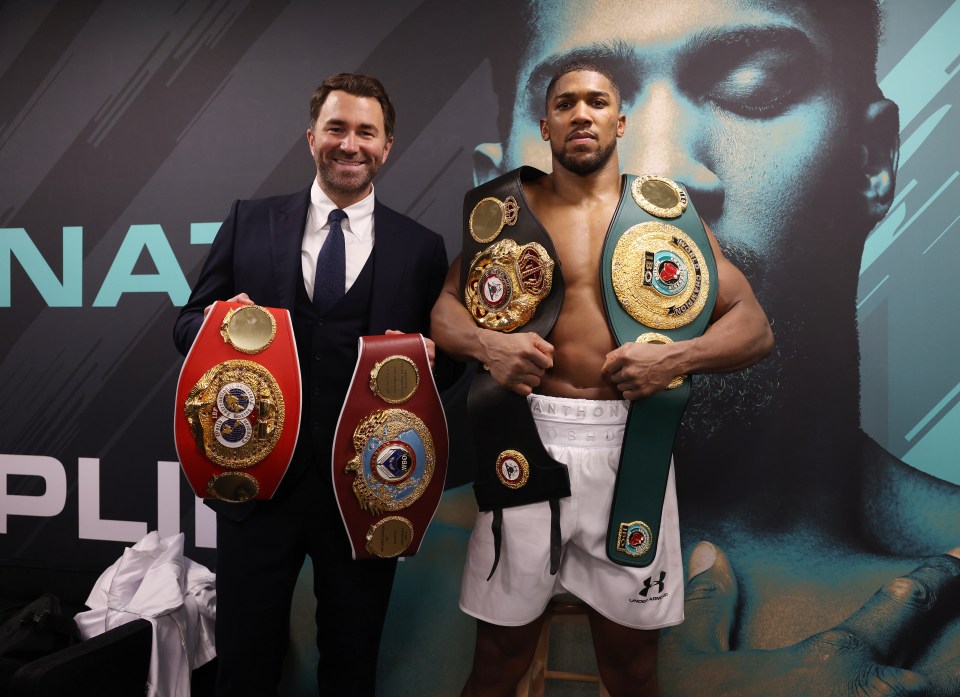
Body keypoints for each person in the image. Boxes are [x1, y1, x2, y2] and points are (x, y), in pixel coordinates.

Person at [468, 0, 960, 694]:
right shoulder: (370, 585)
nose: (660, 175)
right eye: (576, 112)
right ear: (497, 193)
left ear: (872, 161)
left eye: (754, 89)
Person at [431, 62, 773, 696]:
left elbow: (754, 326)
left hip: (631, 448)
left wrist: (677, 358)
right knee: (499, 659)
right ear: (546, 124)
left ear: (619, 121)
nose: (580, 114)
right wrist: (489, 346)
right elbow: (445, 309)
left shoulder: (668, 218)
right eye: (565, 103)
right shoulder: (504, 212)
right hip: (525, 442)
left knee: (631, 666)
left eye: (596, 102)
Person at [173, 73, 449, 696]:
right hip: (259, 486)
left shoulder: (421, 248)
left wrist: (434, 360)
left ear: (387, 146)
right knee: (244, 662)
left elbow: (450, 366)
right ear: (311, 138)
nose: (349, 144)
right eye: (336, 128)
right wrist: (221, 326)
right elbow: (186, 323)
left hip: (369, 490)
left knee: (352, 665)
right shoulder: (251, 220)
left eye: (365, 132)